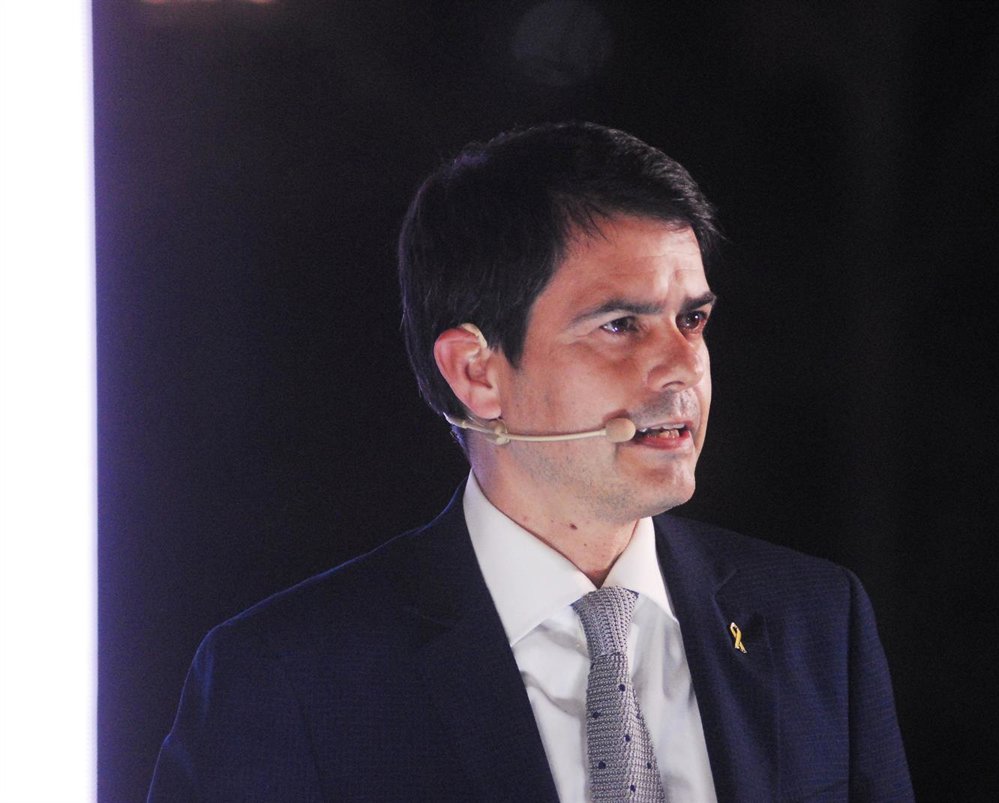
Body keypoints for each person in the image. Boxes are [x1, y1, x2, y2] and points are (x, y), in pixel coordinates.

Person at [148, 122, 913, 802]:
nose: (684, 367)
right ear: (476, 372)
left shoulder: (816, 622)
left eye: (692, 319)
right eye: (621, 325)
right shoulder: (291, 679)